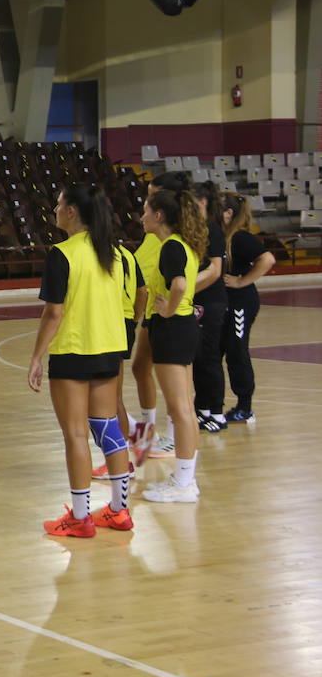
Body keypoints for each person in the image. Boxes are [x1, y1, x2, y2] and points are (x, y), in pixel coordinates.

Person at [27, 185, 134, 537]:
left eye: (58, 204)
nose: (54, 209)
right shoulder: (115, 254)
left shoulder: (63, 253)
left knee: (75, 435)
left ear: (72, 211)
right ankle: (119, 510)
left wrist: (36, 356)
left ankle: (80, 516)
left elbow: (53, 313)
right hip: (110, 350)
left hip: (74, 351)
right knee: (107, 428)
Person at [140, 187, 208, 504]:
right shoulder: (185, 245)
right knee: (185, 409)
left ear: (159, 215)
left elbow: (179, 284)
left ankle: (183, 483)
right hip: (183, 328)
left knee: (179, 409)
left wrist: (167, 309)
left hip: (172, 328)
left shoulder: (171, 247)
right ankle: (184, 479)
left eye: (145, 211)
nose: (141, 217)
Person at [129, 170, 190, 460]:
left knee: (178, 398)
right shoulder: (155, 237)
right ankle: (148, 433)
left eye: (151, 199)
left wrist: (173, 306)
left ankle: (171, 441)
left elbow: (183, 280)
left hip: (172, 320)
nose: (144, 209)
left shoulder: (174, 242)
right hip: (154, 313)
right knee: (140, 368)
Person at [91, 240, 148, 482]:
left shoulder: (98, 252)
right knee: (113, 397)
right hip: (124, 323)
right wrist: (134, 318)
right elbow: (142, 292)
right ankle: (121, 458)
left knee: (111, 398)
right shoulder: (126, 253)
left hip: (108, 324)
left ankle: (121, 461)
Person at [220, 192, 275, 423]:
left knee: (237, 350)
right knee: (214, 352)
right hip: (223, 304)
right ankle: (212, 405)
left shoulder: (240, 238)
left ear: (228, 213)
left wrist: (242, 280)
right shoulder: (217, 237)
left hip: (241, 304)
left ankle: (245, 407)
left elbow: (268, 259)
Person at [191, 182, 228, 432]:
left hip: (211, 302)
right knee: (198, 358)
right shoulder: (194, 229)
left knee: (211, 358)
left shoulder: (212, 230)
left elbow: (215, 271)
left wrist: (184, 292)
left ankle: (217, 412)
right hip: (197, 302)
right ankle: (202, 409)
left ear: (203, 202)